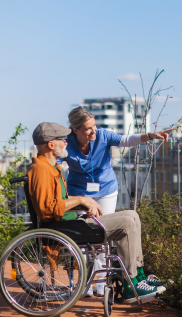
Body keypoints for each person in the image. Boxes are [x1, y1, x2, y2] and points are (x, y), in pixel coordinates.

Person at [27, 122, 165, 303]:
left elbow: (55, 204)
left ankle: (138, 275)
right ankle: (131, 281)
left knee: (132, 215)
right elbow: (47, 209)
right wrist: (82, 200)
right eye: (63, 140)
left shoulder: (52, 167)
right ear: (51, 145)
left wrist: (84, 203)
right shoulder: (42, 170)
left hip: (72, 223)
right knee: (127, 223)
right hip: (66, 228)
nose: (67, 142)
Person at [61, 106, 172, 296]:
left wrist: (151, 136)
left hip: (105, 191)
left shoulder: (103, 136)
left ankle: (103, 282)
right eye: (88, 128)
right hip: (78, 193)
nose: (93, 130)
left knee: (103, 235)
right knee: (84, 239)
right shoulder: (66, 144)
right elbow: (52, 167)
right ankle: (85, 280)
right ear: (76, 129)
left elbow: (127, 140)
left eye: (94, 126)